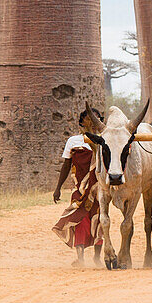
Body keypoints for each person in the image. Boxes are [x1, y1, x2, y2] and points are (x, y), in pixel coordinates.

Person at [52, 110, 103, 267]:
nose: (91, 122)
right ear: (81, 122)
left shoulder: (104, 141)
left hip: (97, 187)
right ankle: (80, 257)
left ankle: (97, 257)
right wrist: (58, 187)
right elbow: (66, 165)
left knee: (98, 219)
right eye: (88, 119)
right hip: (79, 189)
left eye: (95, 119)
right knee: (78, 219)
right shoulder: (73, 141)